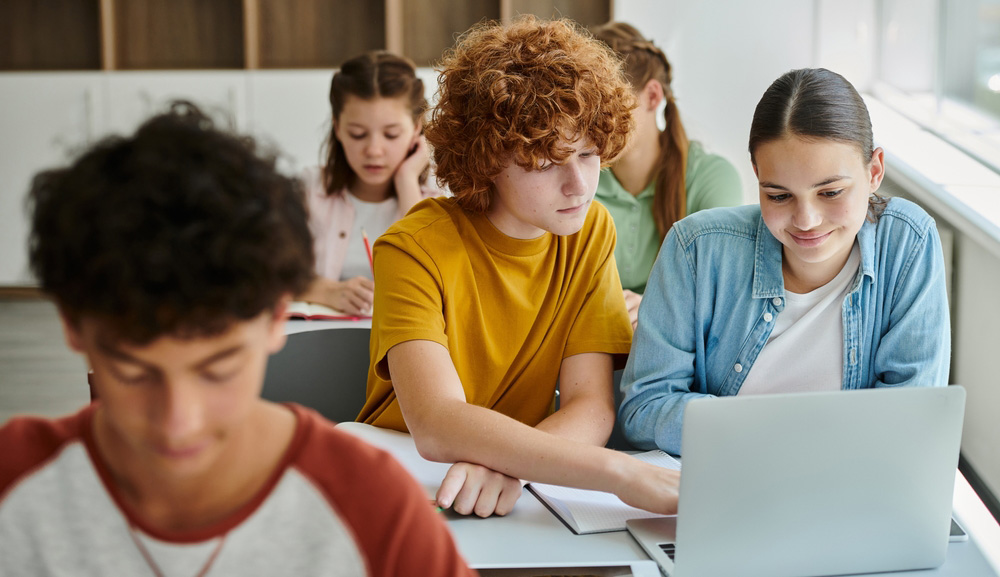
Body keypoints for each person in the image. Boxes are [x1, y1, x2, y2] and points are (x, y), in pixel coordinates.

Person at [0, 104, 474, 576]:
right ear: (73, 327)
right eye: (132, 372)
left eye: (219, 369)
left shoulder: (368, 501)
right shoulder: (15, 483)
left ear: (275, 322)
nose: (178, 423)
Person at [356, 16, 680, 518]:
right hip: (408, 487)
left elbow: (590, 407)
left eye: (590, 154)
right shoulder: (413, 247)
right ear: (485, 160)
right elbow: (437, 421)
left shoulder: (590, 231)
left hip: (505, 490)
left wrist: (511, 465)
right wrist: (622, 473)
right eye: (548, 162)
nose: (579, 184)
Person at [619, 68, 950, 455]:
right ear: (757, 175)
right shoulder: (696, 249)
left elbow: (911, 420)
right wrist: (778, 438)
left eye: (830, 192)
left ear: (874, 171)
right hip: (730, 480)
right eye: (778, 196)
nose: (806, 221)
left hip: (849, 486)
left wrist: (756, 432)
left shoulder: (908, 242)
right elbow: (643, 412)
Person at [590, 22, 743, 328]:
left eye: (608, 106)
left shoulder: (712, 178)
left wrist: (653, 308)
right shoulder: (577, 181)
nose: (592, 122)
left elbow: (724, 294)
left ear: (652, 96)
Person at [297, 51, 439, 316]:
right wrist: (327, 291)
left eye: (391, 134)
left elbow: (440, 282)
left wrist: (407, 181)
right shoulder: (308, 190)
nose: (374, 150)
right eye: (358, 134)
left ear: (417, 127)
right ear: (338, 128)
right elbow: (263, 275)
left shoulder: (440, 197)